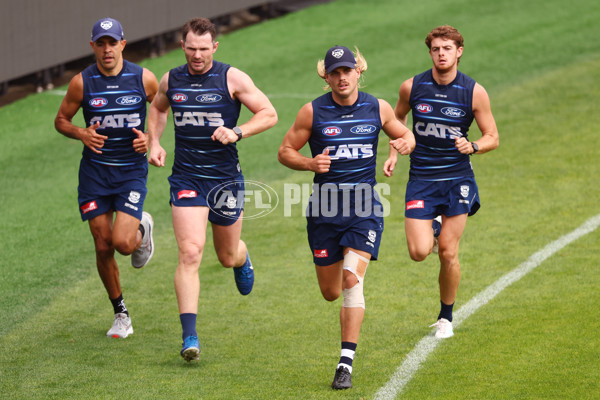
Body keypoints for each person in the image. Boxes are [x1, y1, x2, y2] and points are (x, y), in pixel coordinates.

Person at [278, 46, 415, 390]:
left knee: (352, 279)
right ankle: (342, 271)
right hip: (324, 211)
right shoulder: (312, 112)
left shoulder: (377, 107)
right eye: (335, 72)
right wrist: (309, 164)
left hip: (365, 207)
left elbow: (404, 133)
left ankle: (345, 363)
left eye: (347, 71)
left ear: (358, 72)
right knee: (330, 291)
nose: (342, 78)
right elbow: (285, 151)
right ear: (326, 76)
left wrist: (405, 145)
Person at [147, 17, 277, 362]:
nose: (198, 55)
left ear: (214, 47)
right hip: (186, 179)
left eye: (204, 49)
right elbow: (158, 107)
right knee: (190, 252)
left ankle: (241, 256)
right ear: (182, 46)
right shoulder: (171, 79)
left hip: (224, 181)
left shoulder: (231, 78)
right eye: (191, 48)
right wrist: (154, 142)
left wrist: (238, 132)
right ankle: (190, 337)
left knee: (225, 256)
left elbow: (268, 113)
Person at [384, 25, 499, 339]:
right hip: (421, 178)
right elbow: (396, 121)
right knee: (419, 252)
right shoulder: (412, 87)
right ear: (430, 52)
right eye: (436, 49)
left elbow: (493, 136)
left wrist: (473, 146)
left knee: (448, 252)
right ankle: (433, 226)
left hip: (457, 179)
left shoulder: (473, 91)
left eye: (447, 48)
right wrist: (396, 150)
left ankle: (445, 318)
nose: (441, 54)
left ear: (459, 51)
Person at [54, 17, 159, 338]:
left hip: (130, 172)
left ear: (123, 45)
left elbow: (161, 110)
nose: (107, 49)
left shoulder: (144, 78)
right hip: (95, 175)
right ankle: (121, 313)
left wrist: (152, 140)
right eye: (101, 43)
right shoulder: (81, 83)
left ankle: (143, 226)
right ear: (93, 47)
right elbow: (60, 120)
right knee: (102, 246)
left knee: (123, 244)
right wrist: (80, 132)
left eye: (112, 43)